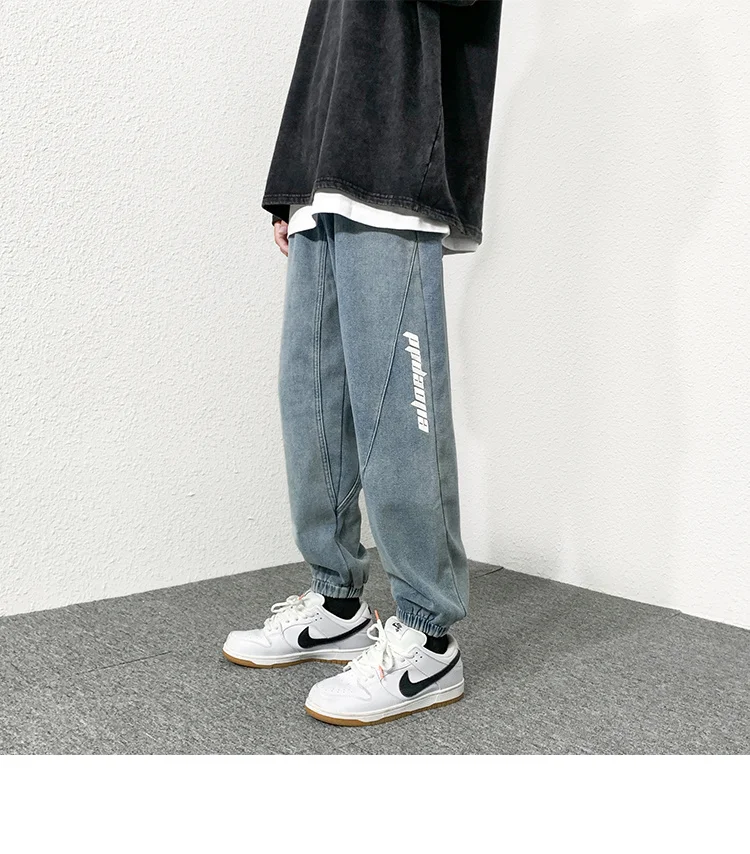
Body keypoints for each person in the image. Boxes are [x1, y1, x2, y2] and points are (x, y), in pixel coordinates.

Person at [223, 0, 503, 727]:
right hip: (323, 176)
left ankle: (428, 639)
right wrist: (289, 185)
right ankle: (337, 604)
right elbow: (326, 44)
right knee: (308, 400)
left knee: (396, 416)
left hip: (394, 166)